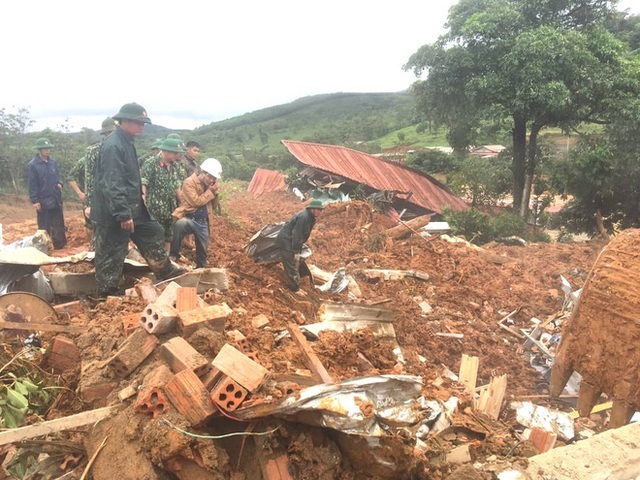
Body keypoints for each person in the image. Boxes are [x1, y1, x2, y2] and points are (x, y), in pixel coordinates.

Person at [91, 103, 186, 298]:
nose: (142, 126)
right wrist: (122, 213)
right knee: (112, 250)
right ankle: (107, 294)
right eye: (138, 122)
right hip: (114, 212)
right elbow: (112, 182)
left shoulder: (126, 141)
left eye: (143, 123)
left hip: (133, 207)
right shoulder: (113, 145)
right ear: (124, 121)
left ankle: (164, 269)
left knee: (153, 232)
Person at [170, 158, 222, 268]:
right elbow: (196, 201)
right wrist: (210, 192)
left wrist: (215, 194)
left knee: (203, 251)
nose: (211, 180)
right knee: (180, 225)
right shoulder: (189, 182)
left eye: (214, 178)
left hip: (203, 221)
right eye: (210, 177)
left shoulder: (210, 186)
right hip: (190, 218)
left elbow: (214, 206)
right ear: (203, 173)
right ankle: (173, 256)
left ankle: (200, 268)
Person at [141, 137, 188, 251]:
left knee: (168, 236)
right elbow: (143, 182)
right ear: (165, 151)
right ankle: (153, 263)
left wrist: (183, 204)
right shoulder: (151, 163)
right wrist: (143, 202)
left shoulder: (175, 166)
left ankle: (166, 262)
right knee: (155, 237)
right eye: (175, 153)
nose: (177, 156)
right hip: (155, 209)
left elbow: (177, 186)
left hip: (170, 208)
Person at [68, 117, 117, 225]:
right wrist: (80, 193)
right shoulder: (90, 155)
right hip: (95, 199)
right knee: (95, 228)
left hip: (115, 200)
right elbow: (71, 176)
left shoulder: (120, 151)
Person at [275, 200, 324, 292]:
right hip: (287, 242)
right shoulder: (304, 217)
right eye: (318, 210)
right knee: (291, 266)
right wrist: (296, 251)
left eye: (321, 210)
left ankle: (296, 285)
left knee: (294, 264)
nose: (320, 212)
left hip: (291, 241)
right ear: (312, 209)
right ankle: (294, 289)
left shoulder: (311, 217)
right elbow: (297, 235)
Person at [27, 137, 67, 249]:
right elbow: (32, 184)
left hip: (55, 198)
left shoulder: (52, 162)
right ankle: (44, 247)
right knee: (44, 225)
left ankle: (60, 246)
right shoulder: (33, 165)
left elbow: (58, 176)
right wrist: (35, 200)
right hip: (43, 199)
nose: (47, 151)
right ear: (39, 150)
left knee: (58, 223)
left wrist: (60, 183)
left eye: (48, 148)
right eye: (44, 149)